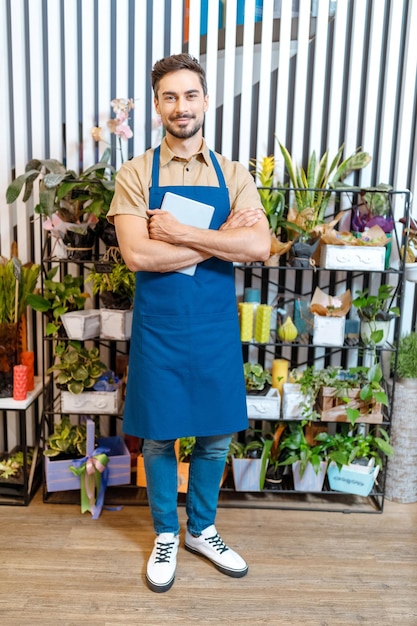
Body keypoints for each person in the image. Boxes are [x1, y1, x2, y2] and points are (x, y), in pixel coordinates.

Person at [108, 53, 271, 593]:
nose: (182, 106)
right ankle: (165, 534)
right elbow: (138, 257)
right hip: (159, 326)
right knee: (158, 438)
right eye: (170, 97)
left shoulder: (235, 173)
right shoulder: (134, 174)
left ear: (206, 99)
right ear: (157, 106)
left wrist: (178, 233)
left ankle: (201, 529)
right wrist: (218, 237)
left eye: (191, 95)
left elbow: (258, 246)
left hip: (213, 325)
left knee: (218, 434)